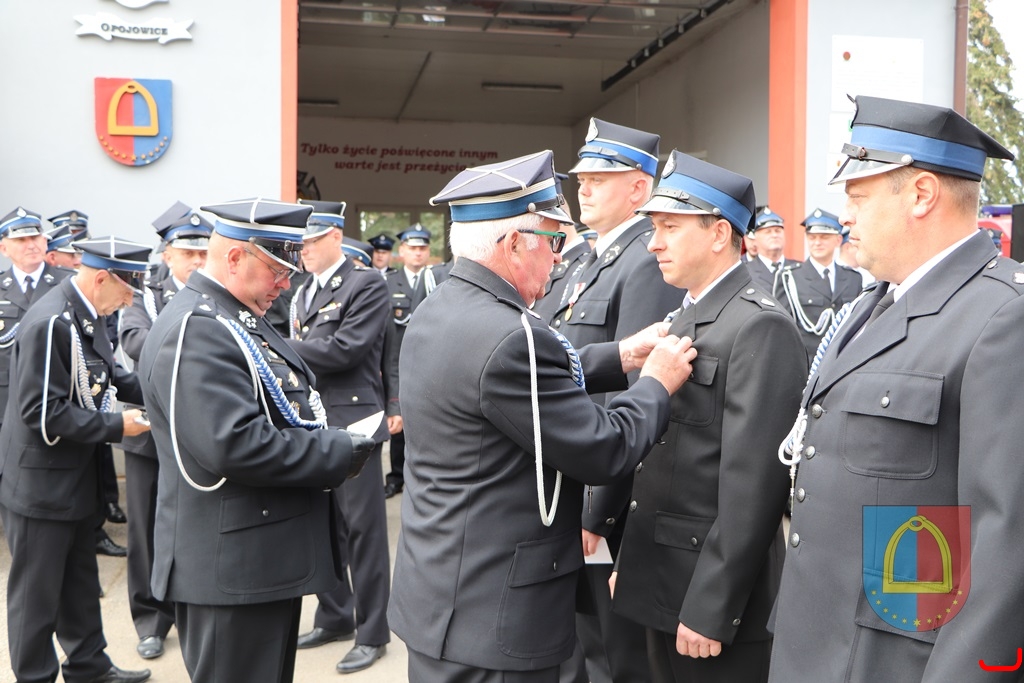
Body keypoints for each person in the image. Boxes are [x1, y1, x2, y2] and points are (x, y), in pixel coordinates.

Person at [387, 149, 697, 682]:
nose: (558, 260)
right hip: (494, 619)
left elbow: (507, 384)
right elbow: (604, 449)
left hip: (443, 596)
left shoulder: (442, 307)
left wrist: (620, 355)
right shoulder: (512, 335)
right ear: (513, 244)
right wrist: (655, 384)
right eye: (552, 242)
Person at [768, 96, 1022, 682]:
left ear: (922, 194)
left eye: (858, 197)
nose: (845, 217)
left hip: (896, 659)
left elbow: (1005, 546)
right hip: (815, 642)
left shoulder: (1003, 316)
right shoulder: (871, 303)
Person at [137, 198, 375, 683]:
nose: (286, 284)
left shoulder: (229, 316)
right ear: (234, 257)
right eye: (277, 270)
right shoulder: (200, 328)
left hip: (256, 563)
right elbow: (234, 444)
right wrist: (336, 450)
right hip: (233, 570)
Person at [609, 151, 806, 683]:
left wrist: (711, 606)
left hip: (710, 599)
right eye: (654, 228)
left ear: (719, 234)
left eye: (669, 227)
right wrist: (633, 562)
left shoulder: (760, 326)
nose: (654, 243)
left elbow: (753, 490)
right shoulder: (686, 317)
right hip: (660, 578)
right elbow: (658, 463)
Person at [545, 118, 683, 683]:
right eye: (582, 179)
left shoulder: (645, 260)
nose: (585, 188)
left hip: (605, 497)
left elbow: (641, 394)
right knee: (581, 649)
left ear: (638, 188)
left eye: (599, 178)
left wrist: (597, 510)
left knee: (614, 656)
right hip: (573, 478)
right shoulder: (585, 260)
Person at [0, 234, 155, 683]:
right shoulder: (52, 323)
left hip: (73, 477)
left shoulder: (87, 311)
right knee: (36, 597)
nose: (128, 301)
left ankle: (89, 667)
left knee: (80, 583)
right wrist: (117, 426)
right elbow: (40, 412)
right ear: (102, 278)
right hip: (41, 484)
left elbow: (110, 376)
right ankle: (34, 676)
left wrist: (164, 393)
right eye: (126, 291)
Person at [286, 201, 393, 674]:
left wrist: (278, 347)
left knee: (363, 530)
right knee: (324, 525)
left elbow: (346, 350)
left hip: (354, 423)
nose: (303, 250)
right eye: (300, 244)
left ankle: (372, 632)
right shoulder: (302, 290)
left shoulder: (365, 283)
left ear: (334, 236)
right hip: (313, 420)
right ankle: (334, 616)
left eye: (311, 241)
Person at [119, 202, 212, 660]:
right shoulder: (145, 292)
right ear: (167, 254)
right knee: (145, 529)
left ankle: (192, 607)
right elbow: (135, 340)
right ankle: (151, 620)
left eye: (203, 253)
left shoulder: (215, 292)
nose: (197, 261)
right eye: (188, 253)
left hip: (198, 430)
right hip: (148, 428)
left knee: (195, 525)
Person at [383, 224, 446, 499]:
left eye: (422, 248)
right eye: (412, 248)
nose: (418, 253)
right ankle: (397, 476)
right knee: (398, 422)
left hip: (430, 361)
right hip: (397, 360)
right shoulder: (389, 282)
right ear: (402, 251)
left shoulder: (440, 279)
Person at [774, 209, 863, 363]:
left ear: (838, 240)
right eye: (812, 237)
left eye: (824, 237)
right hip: (805, 363)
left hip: (842, 361)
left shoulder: (853, 278)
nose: (817, 243)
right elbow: (782, 328)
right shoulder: (790, 277)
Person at [744, 207, 798, 296]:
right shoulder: (746, 272)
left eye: (778, 231)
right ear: (754, 239)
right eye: (768, 232)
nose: (774, 235)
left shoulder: (798, 269)